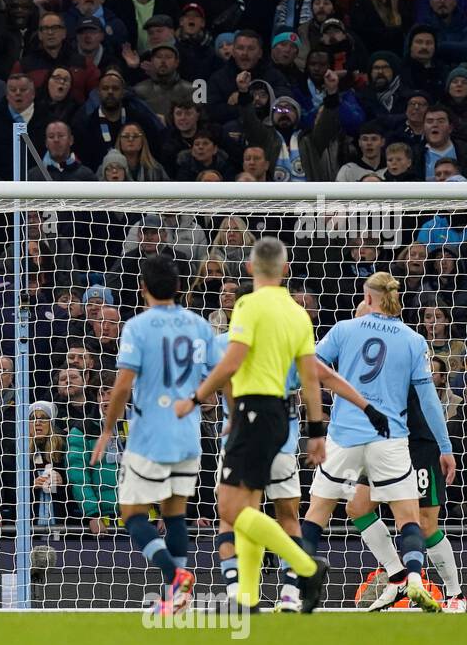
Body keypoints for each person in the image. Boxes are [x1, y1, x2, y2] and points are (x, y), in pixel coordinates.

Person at [173, 237, 330, 612]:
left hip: (253, 413)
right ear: (286, 270)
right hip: (279, 417)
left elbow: (231, 362)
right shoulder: (297, 314)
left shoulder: (247, 304)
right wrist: (317, 431)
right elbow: (311, 378)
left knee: (230, 509)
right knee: (249, 506)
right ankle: (248, 598)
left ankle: (307, 567)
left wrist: (195, 399)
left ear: (248, 267)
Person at [298, 273, 456, 614]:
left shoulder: (344, 329)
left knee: (319, 511)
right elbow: (429, 401)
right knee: (406, 515)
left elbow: (309, 368)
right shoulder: (414, 340)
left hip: (345, 434)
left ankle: (293, 586)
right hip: (391, 437)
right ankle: (410, 578)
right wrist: (447, 447)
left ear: (368, 298)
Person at [92, 254, 213, 614]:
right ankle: (177, 601)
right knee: (174, 515)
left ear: (143, 288)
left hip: (149, 438)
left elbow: (123, 385)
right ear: (178, 287)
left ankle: (176, 575)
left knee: (132, 515)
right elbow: (220, 374)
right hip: (188, 435)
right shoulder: (198, 325)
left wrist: (108, 428)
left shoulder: (138, 328)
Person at [345, 302, 465, 614]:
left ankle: (455, 594)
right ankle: (399, 576)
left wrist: (444, 446)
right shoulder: (357, 354)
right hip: (381, 445)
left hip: (417, 444)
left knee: (425, 524)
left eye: (360, 319)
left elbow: (426, 398)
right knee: (358, 506)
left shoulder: (403, 345)